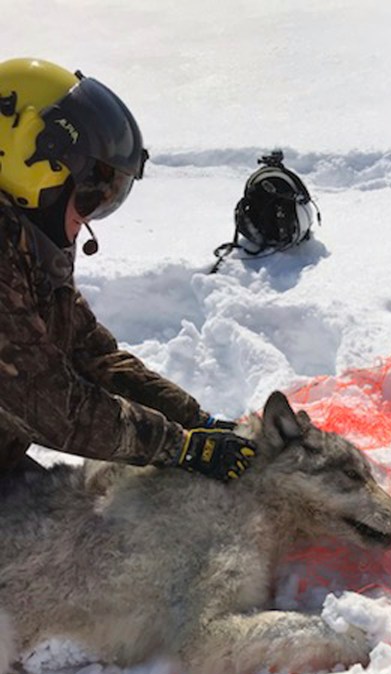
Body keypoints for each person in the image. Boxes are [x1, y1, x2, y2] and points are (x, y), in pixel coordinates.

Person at [0, 57, 255, 483]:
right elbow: (47, 402)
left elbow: (92, 355)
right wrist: (178, 446)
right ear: (31, 159)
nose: (90, 216)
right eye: (90, 192)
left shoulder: (27, 248)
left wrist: (196, 421)